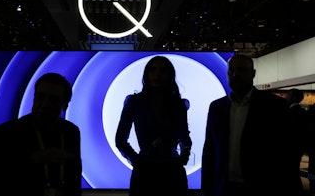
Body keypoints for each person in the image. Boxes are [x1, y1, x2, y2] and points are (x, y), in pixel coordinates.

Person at [201, 54, 299, 196]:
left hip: (261, 187)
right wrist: (207, 187)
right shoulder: (217, 107)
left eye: (241, 70)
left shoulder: (274, 106)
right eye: (231, 71)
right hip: (223, 188)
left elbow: (288, 150)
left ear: (253, 74)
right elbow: (210, 150)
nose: (235, 74)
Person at [0, 72, 82, 196]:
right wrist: (31, 159)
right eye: (40, 97)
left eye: (53, 100)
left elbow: (74, 178)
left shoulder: (71, 132)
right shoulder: (5, 133)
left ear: (65, 106)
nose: (44, 105)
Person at [115, 55, 192, 196]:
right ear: (147, 74)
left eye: (162, 70)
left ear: (169, 74)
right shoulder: (134, 102)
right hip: (147, 170)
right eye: (153, 70)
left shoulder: (178, 104)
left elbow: (184, 136)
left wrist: (183, 157)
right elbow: (120, 139)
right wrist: (137, 160)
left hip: (170, 170)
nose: (157, 74)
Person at [286, 88, 309, 194]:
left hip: (291, 150)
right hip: (296, 150)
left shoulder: (292, 113)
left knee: (291, 174)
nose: (286, 97)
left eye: (288, 95)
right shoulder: (300, 112)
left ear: (294, 97)